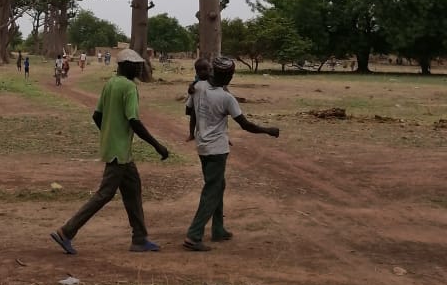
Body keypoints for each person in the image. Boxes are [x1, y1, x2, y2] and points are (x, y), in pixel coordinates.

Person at [50, 48, 170, 255]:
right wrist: (157, 145)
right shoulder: (129, 87)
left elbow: (97, 116)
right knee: (104, 194)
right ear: (126, 66)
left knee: (133, 190)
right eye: (136, 66)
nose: (139, 69)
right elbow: (134, 121)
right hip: (119, 153)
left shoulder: (110, 84)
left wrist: (109, 133)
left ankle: (139, 238)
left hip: (117, 151)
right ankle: (66, 231)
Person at [183, 55, 279, 252]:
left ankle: (218, 229)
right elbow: (246, 125)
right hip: (217, 149)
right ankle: (194, 235)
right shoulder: (226, 97)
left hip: (202, 146)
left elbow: (189, 111)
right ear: (229, 76)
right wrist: (268, 130)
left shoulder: (198, 86)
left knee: (218, 185)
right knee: (212, 190)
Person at [186, 55, 211, 141]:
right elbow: (191, 90)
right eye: (207, 69)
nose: (209, 70)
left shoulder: (211, 79)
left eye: (208, 69)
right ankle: (191, 134)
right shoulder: (197, 81)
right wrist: (191, 88)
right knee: (193, 117)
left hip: (207, 102)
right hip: (196, 101)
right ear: (198, 72)